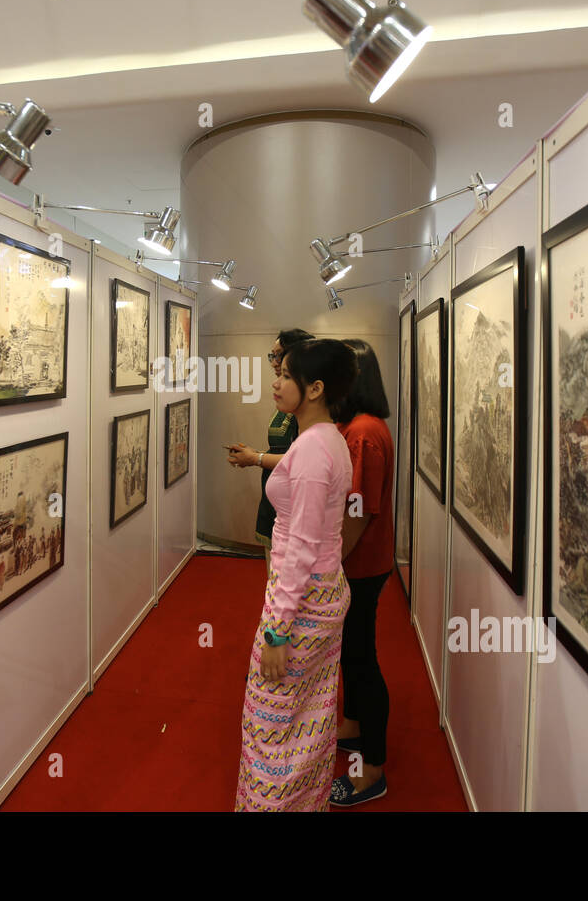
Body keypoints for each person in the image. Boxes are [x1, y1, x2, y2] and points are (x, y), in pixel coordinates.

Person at [235, 338, 358, 812]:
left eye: (286, 374)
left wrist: (277, 629)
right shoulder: (328, 439)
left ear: (315, 388)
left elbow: (301, 548)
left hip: (302, 599)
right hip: (324, 590)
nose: (276, 382)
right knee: (310, 715)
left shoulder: (311, 450)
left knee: (271, 719)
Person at [328, 339, 397, 807]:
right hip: (364, 560)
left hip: (361, 563)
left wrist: (332, 563)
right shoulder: (358, 427)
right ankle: (352, 726)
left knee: (361, 659)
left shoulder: (364, 434)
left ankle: (372, 771)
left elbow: (358, 512)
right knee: (353, 653)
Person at [226, 329, 313, 571]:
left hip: (295, 506)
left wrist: (256, 458)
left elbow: (302, 460)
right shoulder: (289, 399)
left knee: (288, 584)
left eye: (279, 357)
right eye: (272, 357)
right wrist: (255, 454)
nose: (274, 365)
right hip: (277, 497)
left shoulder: (310, 407)